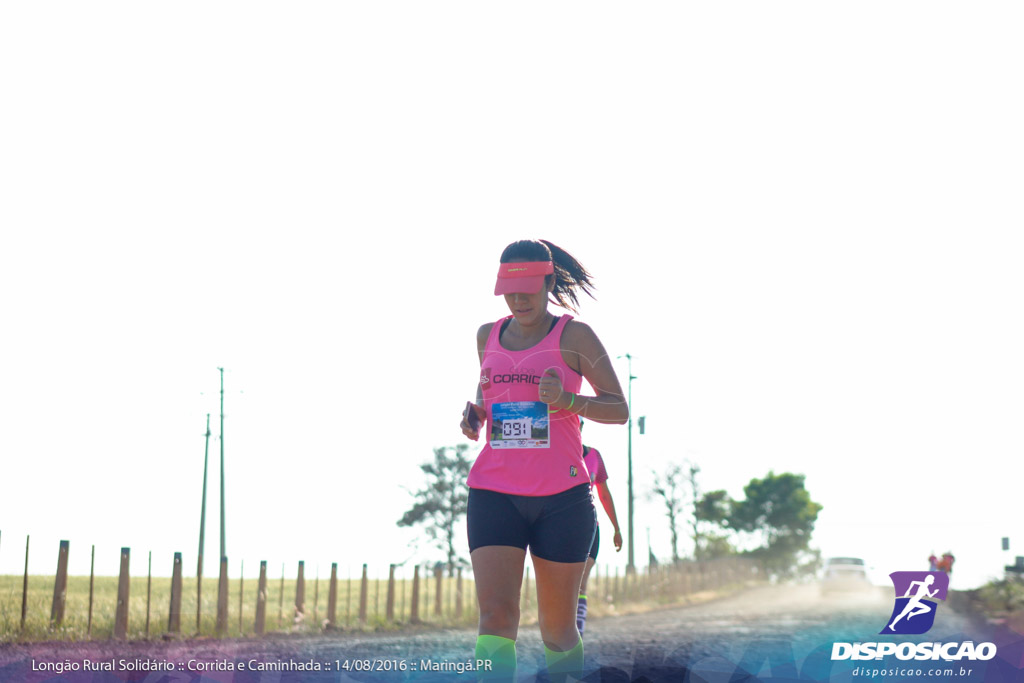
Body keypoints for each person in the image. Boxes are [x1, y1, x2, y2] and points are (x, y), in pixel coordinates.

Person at [460, 239, 628, 682]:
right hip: (494, 492)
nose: (518, 300)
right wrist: (476, 414)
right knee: (495, 619)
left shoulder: (575, 336)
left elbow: (618, 409)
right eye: (509, 291)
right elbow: (490, 396)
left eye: (529, 290)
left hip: (562, 498)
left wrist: (569, 400)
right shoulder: (487, 336)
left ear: (549, 282)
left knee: (557, 630)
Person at [576, 422, 622, 636]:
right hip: (557, 527)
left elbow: (604, 494)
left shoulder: (594, 456)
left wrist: (616, 528)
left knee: (580, 584)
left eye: (578, 423)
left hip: (589, 527)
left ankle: (577, 634)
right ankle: (561, 631)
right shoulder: (551, 453)